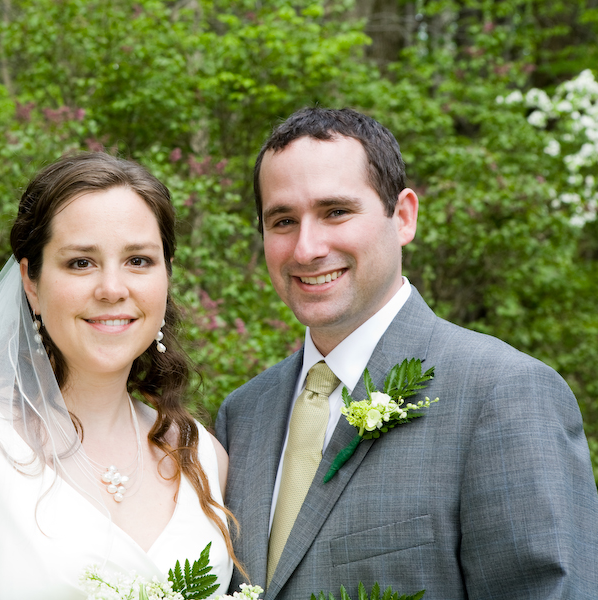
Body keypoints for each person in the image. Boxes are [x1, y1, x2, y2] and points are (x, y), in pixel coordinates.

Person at [215, 107, 598, 600]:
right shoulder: (242, 414)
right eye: (283, 220)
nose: (307, 248)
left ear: (403, 217)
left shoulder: (503, 395)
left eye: (336, 211)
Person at [0, 152, 235, 599]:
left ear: (166, 277)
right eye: (81, 262)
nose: (112, 288)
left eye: (138, 260)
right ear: (31, 282)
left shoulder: (204, 455)